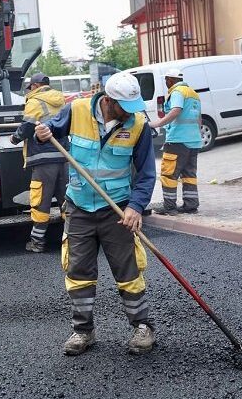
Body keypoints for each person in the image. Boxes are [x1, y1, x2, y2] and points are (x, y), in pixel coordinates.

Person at [34, 72, 157, 356]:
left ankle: (142, 326)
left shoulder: (138, 125)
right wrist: (42, 133)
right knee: (78, 273)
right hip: (79, 208)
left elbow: (147, 174)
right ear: (109, 101)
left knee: (129, 271)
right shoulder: (76, 110)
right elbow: (48, 129)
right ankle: (83, 331)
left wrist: (135, 206)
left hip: (117, 209)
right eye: (126, 106)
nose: (132, 112)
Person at [10, 73, 68, 253]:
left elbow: (27, 127)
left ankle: (37, 242)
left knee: (41, 201)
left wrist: (14, 138)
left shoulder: (34, 102)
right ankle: (74, 240)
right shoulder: (61, 100)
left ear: (35, 86)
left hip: (43, 159)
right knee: (67, 200)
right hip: (64, 156)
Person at [149, 69, 202, 216]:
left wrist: (157, 124)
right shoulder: (193, 93)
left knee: (168, 174)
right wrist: (196, 136)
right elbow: (199, 118)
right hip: (194, 141)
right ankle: (191, 205)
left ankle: (169, 207)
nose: (166, 83)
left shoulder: (177, 92)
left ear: (170, 80)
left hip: (178, 140)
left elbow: (176, 110)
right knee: (189, 174)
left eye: (166, 80)